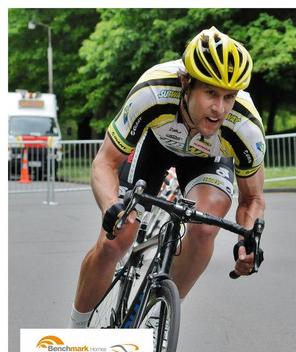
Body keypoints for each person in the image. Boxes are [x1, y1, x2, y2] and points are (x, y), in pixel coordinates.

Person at [69, 27, 266, 329]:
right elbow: (104, 163)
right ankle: (77, 337)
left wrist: (246, 240)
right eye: (210, 93)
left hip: (208, 160)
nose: (220, 108)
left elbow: (252, 199)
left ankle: (157, 320)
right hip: (156, 146)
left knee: (205, 227)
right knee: (114, 241)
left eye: (229, 96)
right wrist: (112, 207)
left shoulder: (245, 126)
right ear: (186, 83)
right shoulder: (154, 92)